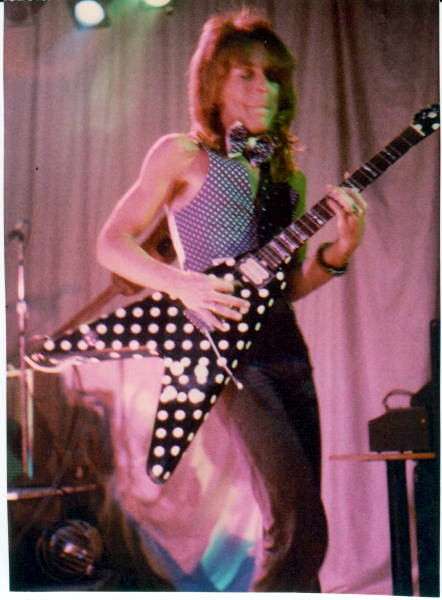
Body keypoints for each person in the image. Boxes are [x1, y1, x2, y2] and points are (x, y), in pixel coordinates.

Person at [95, 9, 367, 593]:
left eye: (273, 77)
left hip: (288, 350)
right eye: (246, 73)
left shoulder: (287, 179)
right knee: (298, 523)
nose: (263, 88)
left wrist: (340, 251)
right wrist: (181, 284)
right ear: (214, 83)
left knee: (301, 529)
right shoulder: (182, 153)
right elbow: (111, 243)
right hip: (231, 358)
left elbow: (285, 287)